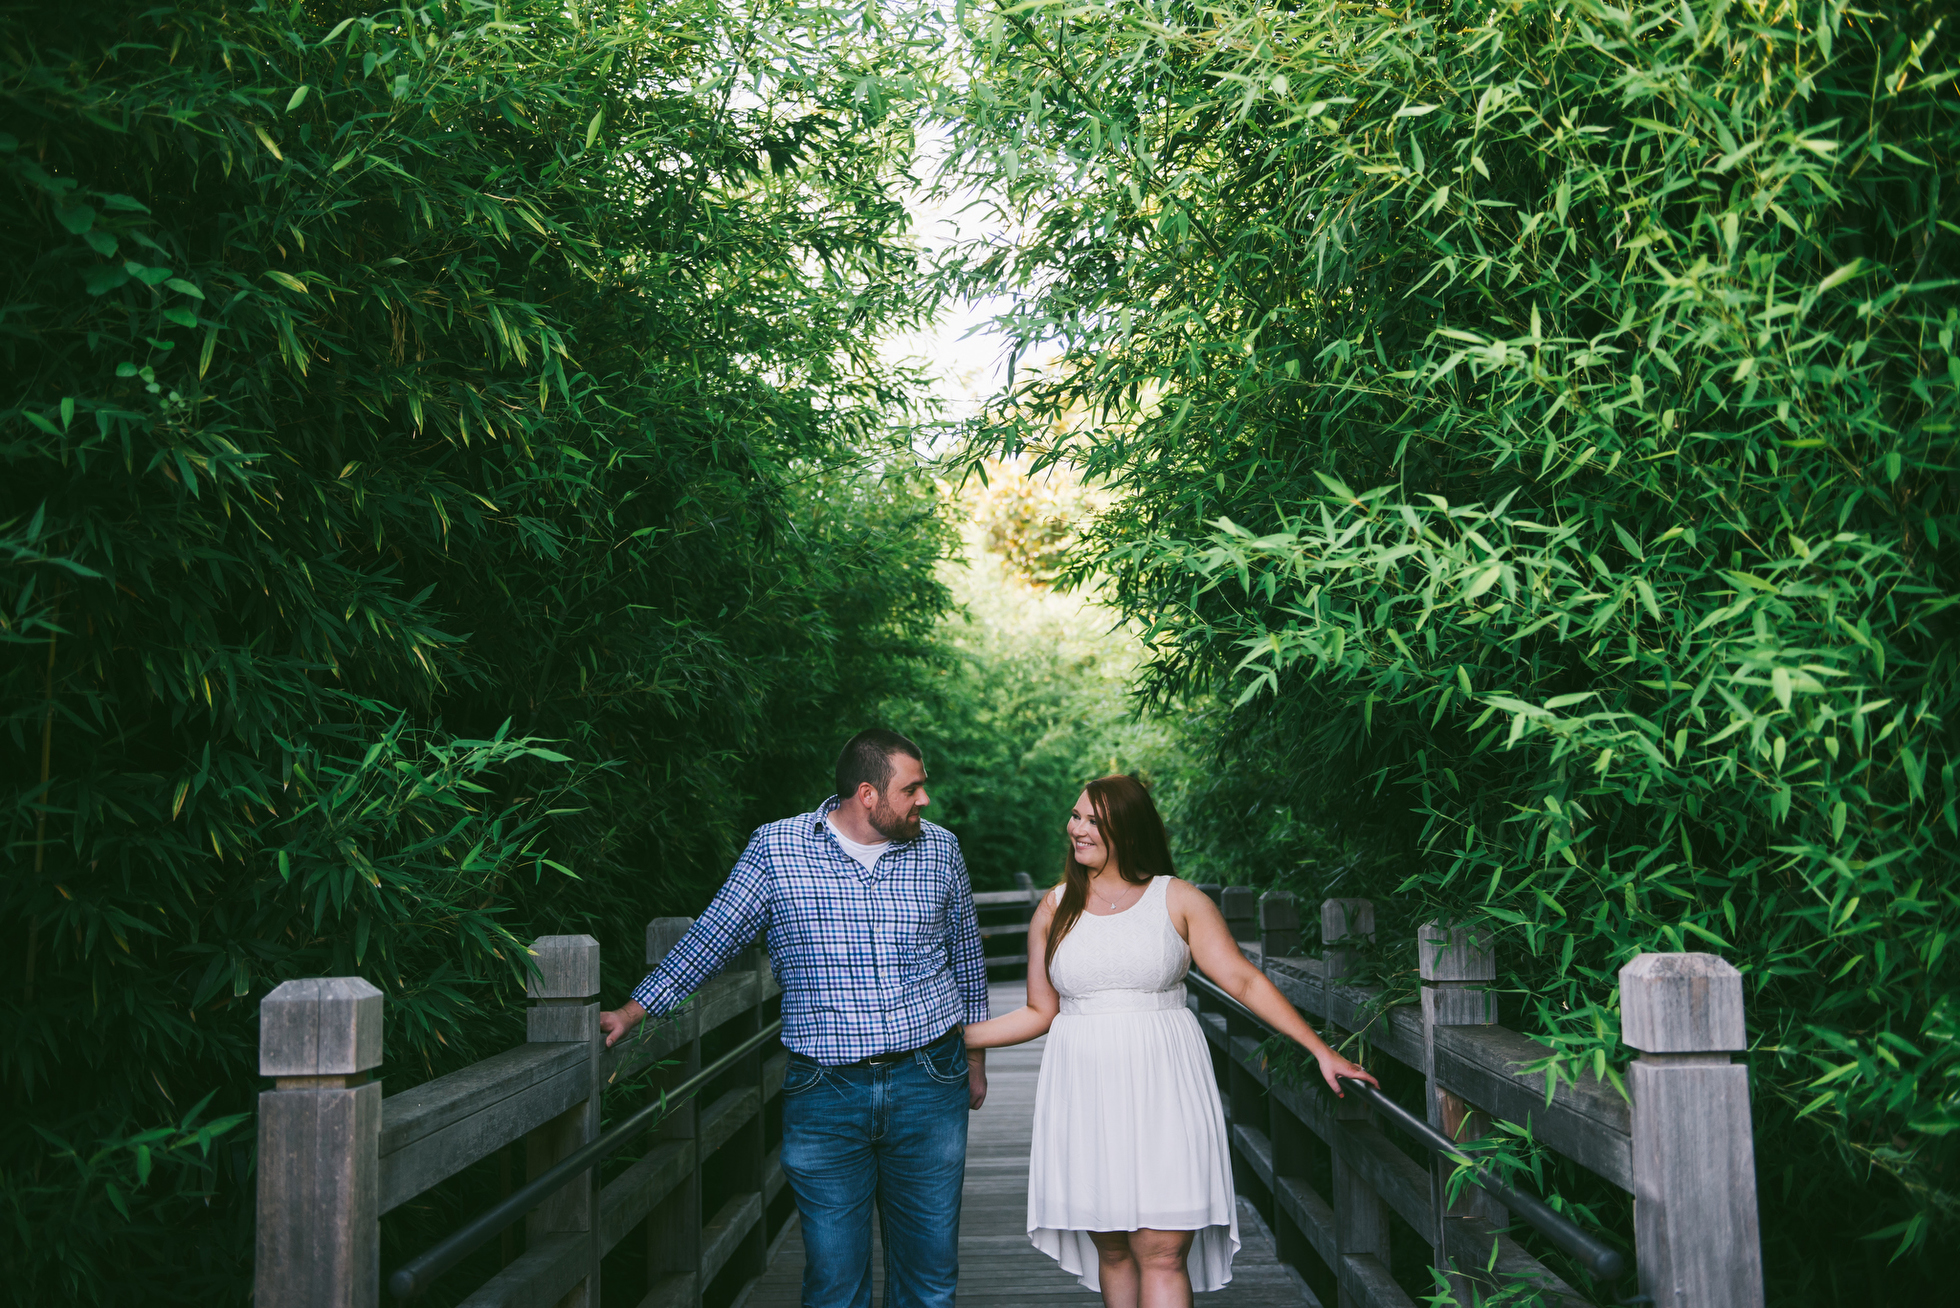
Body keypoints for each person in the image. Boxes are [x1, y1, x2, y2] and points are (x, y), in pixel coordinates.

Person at [598, 729, 989, 1308]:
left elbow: (967, 954)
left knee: (929, 1282)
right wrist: (634, 1011)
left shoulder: (940, 849)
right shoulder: (776, 850)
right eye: (913, 789)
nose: (924, 800)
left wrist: (974, 1060)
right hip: (825, 1093)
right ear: (867, 793)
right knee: (834, 1286)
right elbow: (712, 938)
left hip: (929, 1082)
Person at [963, 775, 1377, 1308]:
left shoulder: (1177, 899)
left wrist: (1320, 1050)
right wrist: (949, 1037)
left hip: (1164, 1083)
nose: (1077, 828)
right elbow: (1040, 1012)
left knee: (1161, 1251)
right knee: (1111, 1250)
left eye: (1093, 819)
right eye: (1075, 816)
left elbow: (1245, 981)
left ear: (1128, 829)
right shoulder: (1055, 906)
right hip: (1083, 1090)